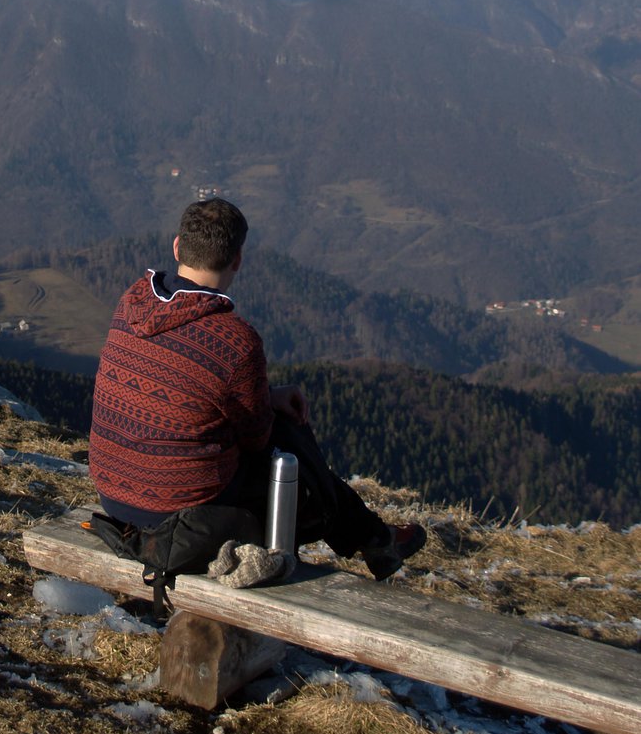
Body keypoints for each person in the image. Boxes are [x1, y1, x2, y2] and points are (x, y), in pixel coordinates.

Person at [89, 197, 426, 580]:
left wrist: (265, 395)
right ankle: (374, 539)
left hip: (115, 494)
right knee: (288, 439)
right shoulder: (234, 341)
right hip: (179, 513)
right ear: (237, 260)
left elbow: (189, 386)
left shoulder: (132, 302)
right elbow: (256, 437)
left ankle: (375, 538)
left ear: (177, 247)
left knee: (277, 430)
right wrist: (268, 404)